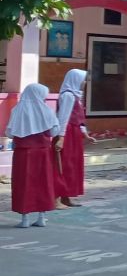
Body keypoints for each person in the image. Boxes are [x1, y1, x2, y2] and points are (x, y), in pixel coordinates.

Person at [7, 83, 60, 228]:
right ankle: (41, 217)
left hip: (23, 154)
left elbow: (9, 133)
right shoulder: (47, 111)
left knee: (23, 183)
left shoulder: (17, 110)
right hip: (42, 153)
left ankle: (25, 218)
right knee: (43, 182)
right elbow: (54, 132)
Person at [53, 69, 89, 208]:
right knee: (64, 164)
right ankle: (58, 197)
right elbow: (63, 118)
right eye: (82, 79)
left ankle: (66, 196)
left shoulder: (76, 96)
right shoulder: (68, 96)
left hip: (73, 134)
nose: (84, 82)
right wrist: (61, 137)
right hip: (67, 133)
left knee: (72, 165)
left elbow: (78, 118)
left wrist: (84, 133)